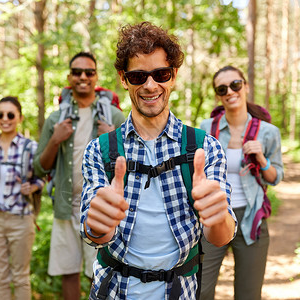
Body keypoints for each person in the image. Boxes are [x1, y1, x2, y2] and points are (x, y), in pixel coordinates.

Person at [80, 22, 237, 300]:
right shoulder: (100, 150)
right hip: (113, 291)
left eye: (161, 74)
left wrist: (217, 216)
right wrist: (98, 224)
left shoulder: (203, 147)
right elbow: (95, 234)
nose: (150, 85)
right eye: (138, 76)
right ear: (123, 78)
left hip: (179, 291)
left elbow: (220, 236)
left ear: (173, 76)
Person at [33, 52, 125, 300]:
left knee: (98, 272)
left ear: (96, 76)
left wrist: (113, 137)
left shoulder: (114, 117)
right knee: (69, 272)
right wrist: (54, 139)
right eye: (77, 72)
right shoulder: (56, 119)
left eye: (89, 72)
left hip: (101, 209)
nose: (83, 77)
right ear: (69, 77)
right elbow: (39, 167)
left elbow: (132, 166)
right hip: (65, 207)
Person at [199, 65, 284, 300]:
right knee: (200, 291)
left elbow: (276, 177)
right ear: (218, 94)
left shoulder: (268, 132)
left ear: (245, 87)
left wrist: (262, 160)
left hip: (251, 218)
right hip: (213, 218)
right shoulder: (207, 129)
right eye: (222, 88)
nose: (230, 91)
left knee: (248, 294)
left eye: (235, 85)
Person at [0, 96, 44, 300]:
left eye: (10, 114)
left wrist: (32, 187)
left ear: (20, 117)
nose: (4, 119)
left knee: (21, 277)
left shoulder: (31, 147)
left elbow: (43, 178)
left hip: (21, 220)